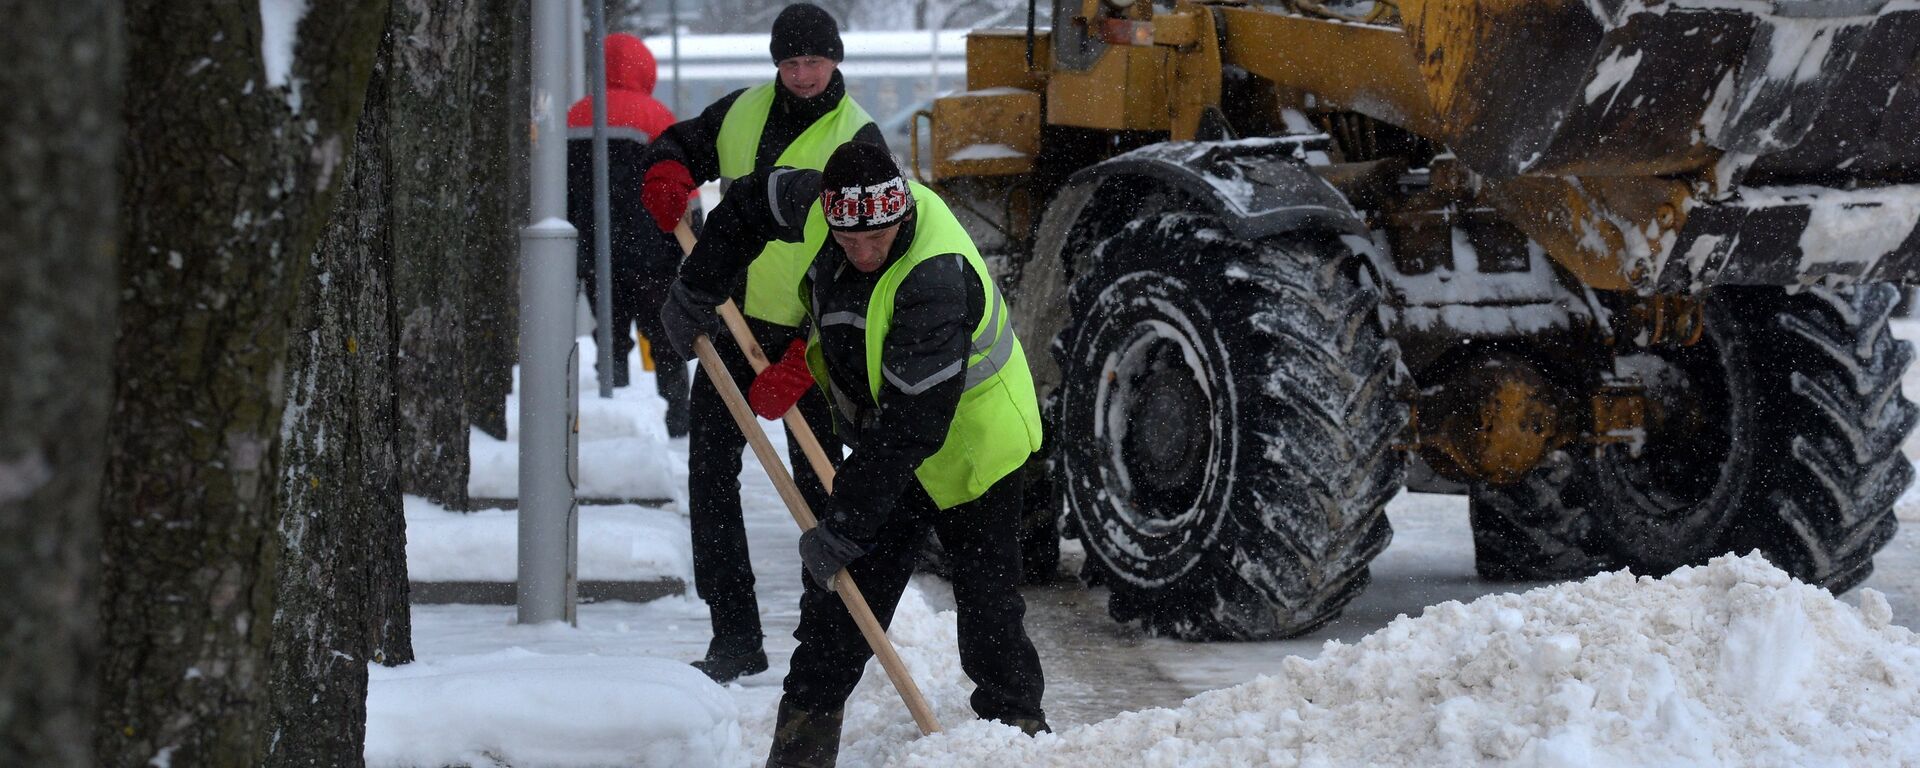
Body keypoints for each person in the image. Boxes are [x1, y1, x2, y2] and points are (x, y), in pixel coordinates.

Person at [660, 141, 1050, 767]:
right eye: (848, 240)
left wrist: (845, 523)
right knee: (839, 611)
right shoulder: (828, 205)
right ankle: (799, 753)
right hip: (894, 439)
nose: (863, 253)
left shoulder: (935, 275)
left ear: (900, 215)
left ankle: (1019, 741)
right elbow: (748, 204)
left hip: (976, 446)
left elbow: (911, 423)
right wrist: (697, 286)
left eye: (878, 238)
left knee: (988, 609)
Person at [639, 3, 889, 684]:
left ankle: (823, 629)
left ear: (837, 59)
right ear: (776, 62)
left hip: (807, 342)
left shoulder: (858, 140)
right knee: (710, 479)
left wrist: (807, 356)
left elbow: (869, 264)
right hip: (728, 321)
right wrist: (666, 172)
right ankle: (735, 636)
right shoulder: (741, 111)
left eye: (815, 60)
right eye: (790, 61)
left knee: (817, 486)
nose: (803, 74)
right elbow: (677, 144)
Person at [565, 32, 690, 436]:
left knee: (611, 333)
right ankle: (677, 417)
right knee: (666, 338)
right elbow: (679, 186)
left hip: (596, 251)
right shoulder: (659, 118)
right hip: (654, 253)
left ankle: (613, 410)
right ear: (645, 68)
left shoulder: (574, 117)